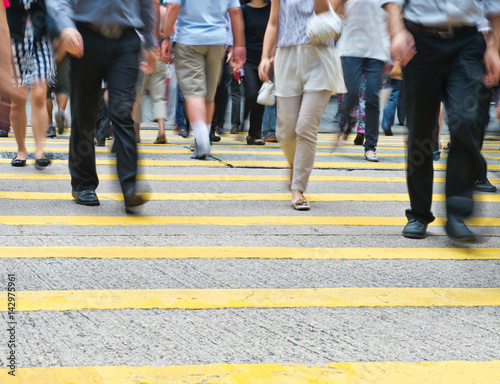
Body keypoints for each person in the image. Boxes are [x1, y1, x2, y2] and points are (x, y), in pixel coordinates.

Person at [382, 0, 500, 241]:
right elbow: (392, 2)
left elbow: (494, 7)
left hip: (468, 42)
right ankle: (418, 213)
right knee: (420, 131)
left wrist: (494, 45)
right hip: (419, 42)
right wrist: (398, 31)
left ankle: (457, 213)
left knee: (468, 120)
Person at [46, 0, 156, 211]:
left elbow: (145, 4)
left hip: (126, 40)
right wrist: (66, 26)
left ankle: (130, 186)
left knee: (122, 111)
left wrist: (150, 42)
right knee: (85, 113)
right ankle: (83, 183)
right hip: (85, 38)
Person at [259, 0, 346, 210]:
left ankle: (298, 188)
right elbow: (273, 22)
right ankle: (295, 166)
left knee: (306, 127)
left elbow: (324, 12)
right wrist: (264, 56)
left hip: (320, 56)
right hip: (287, 56)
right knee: (286, 131)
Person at [160, 0, 246, 159]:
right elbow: (235, 11)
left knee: (194, 94)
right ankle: (203, 139)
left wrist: (165, 38)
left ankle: (202, 139)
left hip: (189, 39)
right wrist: (239, 45)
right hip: (217, 40)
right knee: (209, 94)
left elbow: (173, 6)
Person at [337, 0, 390, 162]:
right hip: (351, 49)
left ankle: (370, 147)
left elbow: (393, 15)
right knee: (351, 92)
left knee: (373, 96)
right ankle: (346, 121)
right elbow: (333, 11)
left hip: (377, 50)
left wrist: (392, 50)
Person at [7, 0, 55, 169]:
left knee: (40, 95)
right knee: (17, 101)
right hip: (12, 40)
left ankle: (39, 150)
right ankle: (21, 150)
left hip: (41, 40)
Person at [134, 0, 168, 145]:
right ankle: (161, 130)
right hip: (159, 54)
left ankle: (136, 133)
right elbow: (170, 32)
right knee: (158, 96)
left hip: (140, 52)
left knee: (137, 94)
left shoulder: (136, 8)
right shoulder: (164, 12)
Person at [241, 0, 271, 145]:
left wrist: (271, 56)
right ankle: (242, 119)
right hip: (247, 59)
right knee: (252, 94)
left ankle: (254, 134)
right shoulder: (243, 10)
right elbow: (238, 34)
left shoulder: (272, 8)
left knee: (261, 97)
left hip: (265, 59)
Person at [46, 57, 70, 138]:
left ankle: (50, 126)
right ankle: (61, 111)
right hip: (63, 54)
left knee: (46, 92)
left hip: (44, 55)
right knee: (62, 88)